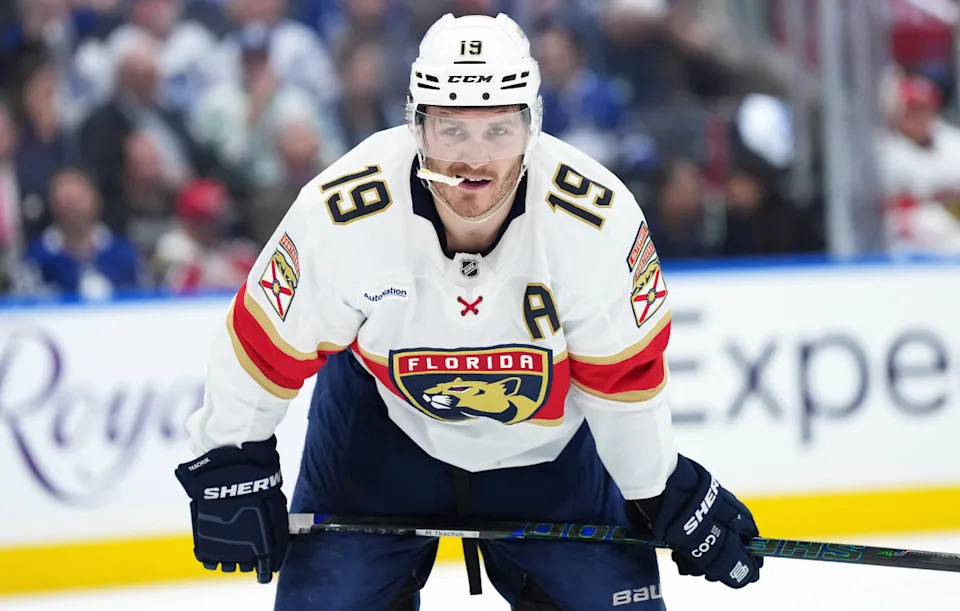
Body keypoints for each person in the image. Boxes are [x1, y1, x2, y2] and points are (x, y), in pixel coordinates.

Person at [174, 13, 762, 610]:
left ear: (532, 128)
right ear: (417, 126)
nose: (474, 161)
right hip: (378, 442)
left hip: (549, 460)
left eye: (498, 131)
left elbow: (623, 381)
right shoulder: (342, 213)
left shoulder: (597, 224)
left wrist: (662, 490)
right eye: (453, 130)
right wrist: (232, 456)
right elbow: (263, 343)